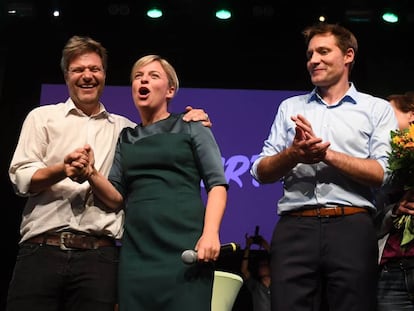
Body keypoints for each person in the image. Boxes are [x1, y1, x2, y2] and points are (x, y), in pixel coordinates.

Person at [7, 36, 211, 311]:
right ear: (66, 76)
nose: (87, 76)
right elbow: (22, 178)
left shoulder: (125, 130)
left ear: (104, 75)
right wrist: (63, 170)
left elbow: (120, 196)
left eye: (95, 69)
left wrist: (194, 116)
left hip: (99, 257)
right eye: (78, 70)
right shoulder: (42, 117)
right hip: (41, 249)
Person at [249, 22, 398, 311]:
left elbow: (383, 174)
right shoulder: (290, 108)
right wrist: (293, 154)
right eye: (309, 54)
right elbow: (260, 171)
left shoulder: (376, 109)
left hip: (352, 227)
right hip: (295, 228)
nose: (313, 60)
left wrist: (325, 154)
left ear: (348, 56)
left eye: (323, 51)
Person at [78, 54, 228, 310]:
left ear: (170, 90)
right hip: (137, 254)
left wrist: (211, 233)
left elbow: (217, 185)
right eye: (138, 77)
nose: (143, 80)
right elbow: (115, 197)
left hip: (184, 248)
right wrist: (91, 173)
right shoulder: (127, 137)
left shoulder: (192, 125)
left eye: (152, 76)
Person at [376, 92, 414, 310]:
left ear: (411, 115)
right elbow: (370, 224)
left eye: (388, 114)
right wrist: (395, 211)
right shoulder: (379, 163)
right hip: (392, 272)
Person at [240, 233, 271, 311]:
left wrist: (264, 244)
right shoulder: (255, 286)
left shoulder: (278, 285)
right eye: (260, 266)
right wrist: (247, 247)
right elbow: (244, 271)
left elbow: (277, 260)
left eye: (264, 265)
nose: (262, 268)